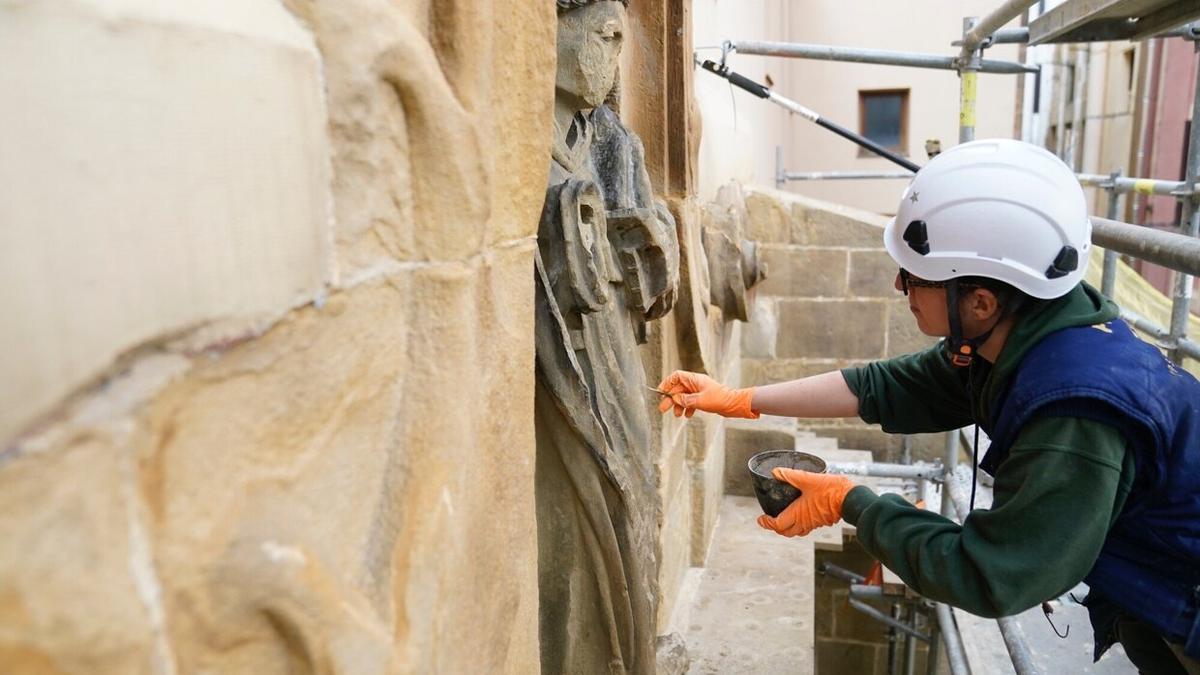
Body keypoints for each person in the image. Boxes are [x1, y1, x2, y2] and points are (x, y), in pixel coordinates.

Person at [658, 139, 1200, 674]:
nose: (900, 284)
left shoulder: (1074, 414)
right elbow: (884, 386)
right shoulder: (1025, 335)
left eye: (914, 277)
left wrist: (852, 502)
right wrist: (738, 400)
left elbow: (993, 574)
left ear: (980, 301)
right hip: (1156, 598)